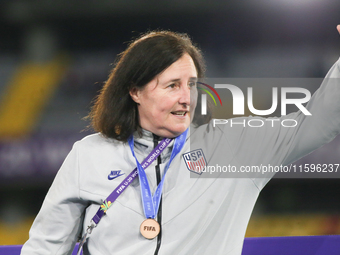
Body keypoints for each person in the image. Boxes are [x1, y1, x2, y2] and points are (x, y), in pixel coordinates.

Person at [21, 28, 340, 255]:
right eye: (172, 85)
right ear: (135, 91)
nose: (187, 97)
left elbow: (316, 124)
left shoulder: (235, 147)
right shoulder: (89, 155)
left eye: (191, 84)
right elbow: (45, 247)